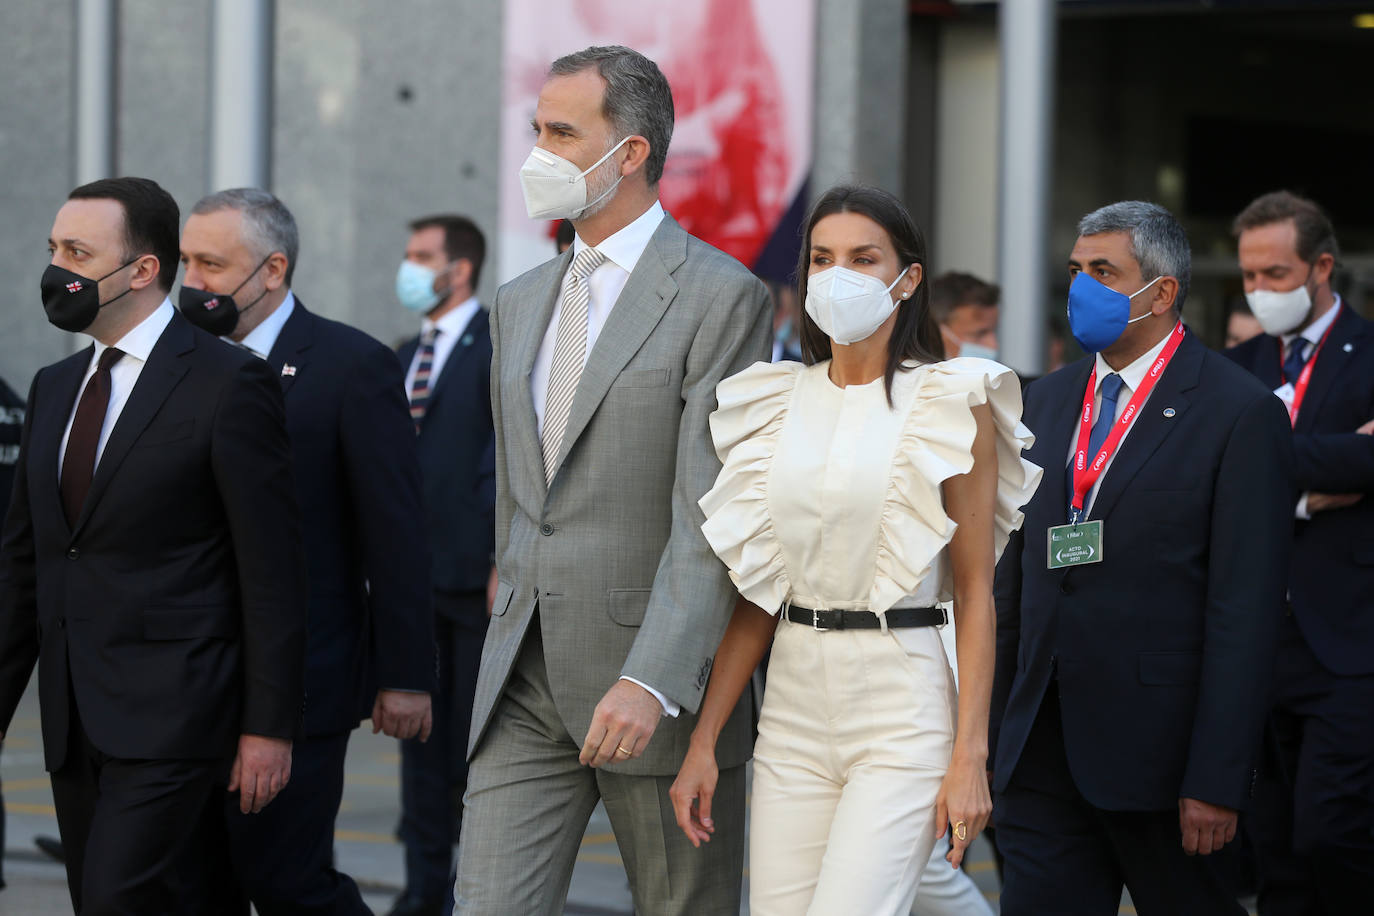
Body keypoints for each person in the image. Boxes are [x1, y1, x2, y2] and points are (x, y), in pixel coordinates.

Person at [454, 45, 771, 915]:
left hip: (651, 682)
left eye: (562, 132)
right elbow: (524, 497)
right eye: (537, 130)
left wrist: (655, 676)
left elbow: (712, 509)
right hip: (522, 672)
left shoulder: (721, 296)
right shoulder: (519, 301)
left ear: (630, 153)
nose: (538, 153)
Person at [670, 184, 1040, 915]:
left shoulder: (952, 399)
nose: (838, 275)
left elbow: (974, 594)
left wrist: (970, 754)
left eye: (864, 258)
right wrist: (705, 738)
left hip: (903, 700)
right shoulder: (772, 401)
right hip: (794, 700)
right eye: (822, 258)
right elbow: (760, 592)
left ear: (908, 278)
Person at [0, 176, 306, 913]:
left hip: (178, 716)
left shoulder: (231, 384)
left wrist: (269, 727)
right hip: (74, 720)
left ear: (142, 270)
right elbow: (24, 567)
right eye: (54, 249)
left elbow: (270, 571)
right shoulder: (54, 386)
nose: (57, 269)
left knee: (117, 901)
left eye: (78, 251)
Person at [990, 200, 1295, 915]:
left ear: (1161, 293)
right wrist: (990, 735)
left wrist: (1218, 778)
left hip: (1166, 765)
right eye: (1076, 270)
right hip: (1040, 749)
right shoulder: (1045, 401)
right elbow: (1013, 579)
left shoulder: (1239, 413)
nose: (1081, 288)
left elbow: (1243, 614)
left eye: (1104, 271)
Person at [179, 187, 435, 915]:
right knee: (198, 882)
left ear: (272, 270)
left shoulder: (350, 366)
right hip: (187, 678)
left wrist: (405, 673)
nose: (191, 281)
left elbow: (395, 529)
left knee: (285, 879)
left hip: (303, 680)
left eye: (211, 264)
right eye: (185, 262)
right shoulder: (174, 362)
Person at [1223, 190, 1374, 915]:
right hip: (1255, 638)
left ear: (1321, 267)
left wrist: (1268, 465)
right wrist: (1310, 490)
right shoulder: (1237, 363)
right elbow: (1215, 470)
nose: (1260, 291)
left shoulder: (1369, 353)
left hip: (1347, 640)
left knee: (1332, 831)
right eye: (1250, 277)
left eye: (1276, 275)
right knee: (1273, 849)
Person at [388, 214, 495, 916]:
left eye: (422, 257)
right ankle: (423, 892)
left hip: (476, 584)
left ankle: (476, 893)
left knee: (475, 753)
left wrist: (498, 560)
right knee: (418, 748)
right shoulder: (402, 353)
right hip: (411, 587)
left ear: (459, 269)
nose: (409, 268)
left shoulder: (500, 345)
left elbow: (506, 464)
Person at [930, 270, 1000, 360]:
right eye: (979, 334)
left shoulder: (1008, 374)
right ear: (937, 335)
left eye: (994, 331)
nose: (993, 345)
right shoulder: (913, 373)